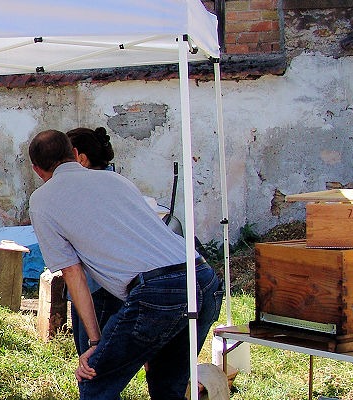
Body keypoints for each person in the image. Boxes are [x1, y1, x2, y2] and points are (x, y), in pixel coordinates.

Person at [26, 129, 223, 399]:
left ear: (37, 170)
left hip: (156, 290)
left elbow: (73, 274)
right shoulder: (116, 180)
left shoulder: (41, 201)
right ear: (74, 154)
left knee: (95, 380)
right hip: (202, 276)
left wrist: (95, 341)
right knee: (168, 386)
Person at [64, 127, 125, 358]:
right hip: (96, 284)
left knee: (94, 360)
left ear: (81, 158)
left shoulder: (93, 188)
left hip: (98, 285)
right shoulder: (113, 182)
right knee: (92, 357)